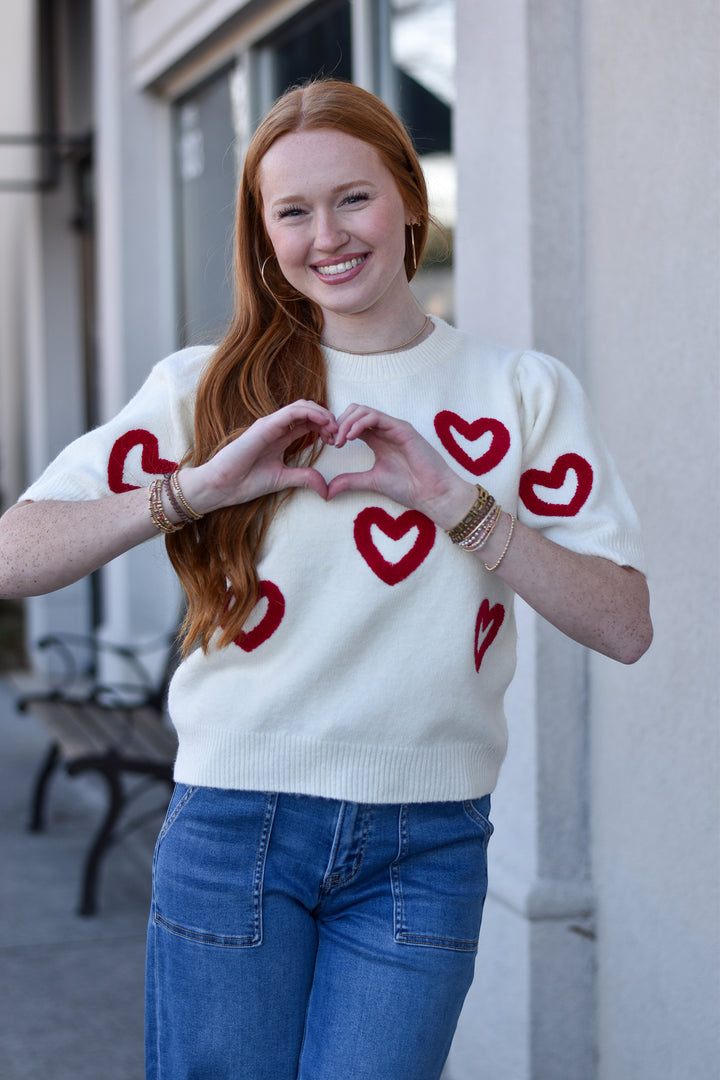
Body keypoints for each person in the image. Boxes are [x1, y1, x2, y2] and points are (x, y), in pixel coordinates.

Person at [0, 79, 652, 1080]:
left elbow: (623, 621)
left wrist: (459, 502)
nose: (327, 235)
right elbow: (16, 554)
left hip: (426, 844)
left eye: (353, 197)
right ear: (264, 236)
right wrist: (190, 490)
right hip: (235, 824)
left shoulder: (521, 393)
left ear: (408, 198)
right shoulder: (205, 389)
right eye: (291, 211)